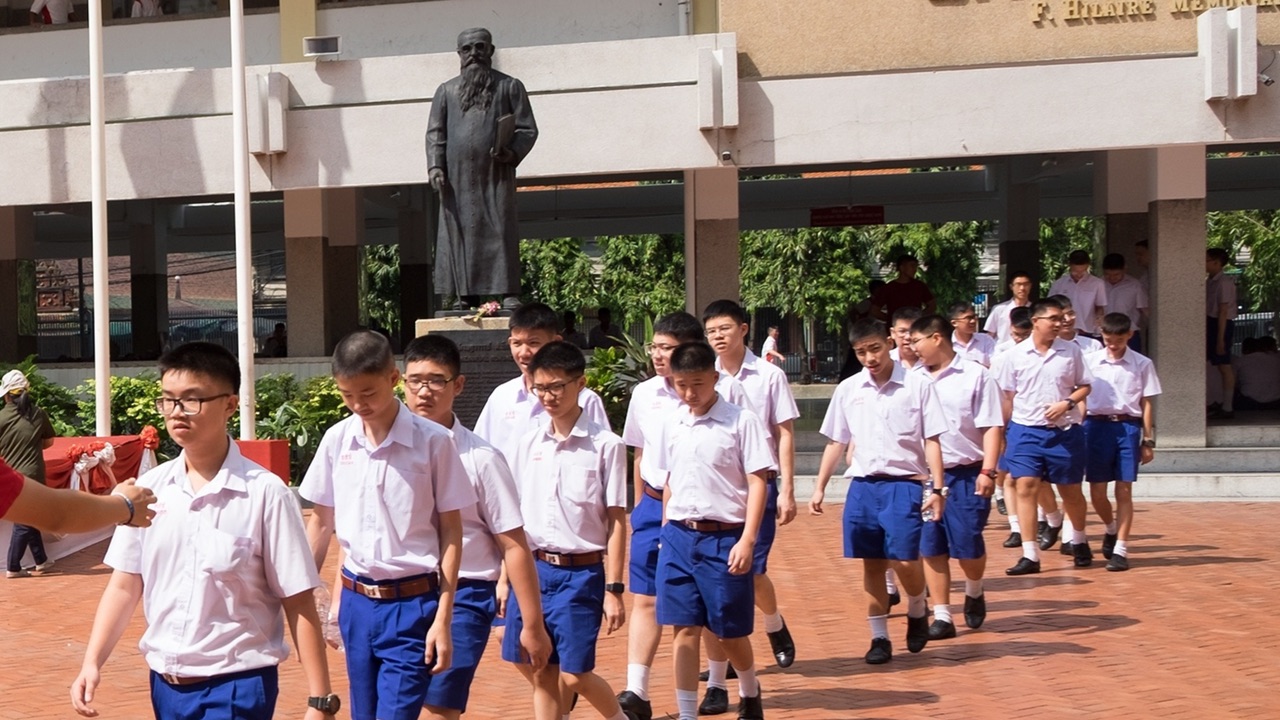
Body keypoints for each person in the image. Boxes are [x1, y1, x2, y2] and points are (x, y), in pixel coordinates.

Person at [70, 342, 336, 720]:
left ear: (229, 404)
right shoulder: (148, 490)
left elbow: (297, 598)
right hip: (165, 686)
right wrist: (91, 661)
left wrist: (320, 698)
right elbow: (125, 584)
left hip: (236, 686)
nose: (177, 413)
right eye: (168, 401)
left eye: (192, 400)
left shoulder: (265, 494)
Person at [301, 331, 474, 720]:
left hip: (413, 607)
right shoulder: (337, 441)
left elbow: (452, 531)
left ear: (393, 379)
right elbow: (321, 522)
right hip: (356, 606)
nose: (358, 405)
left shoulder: (433, 443)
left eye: (368, 393)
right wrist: (305, 590)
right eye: (347, 395)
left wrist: (443, 617)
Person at [400, 335, 552, 720]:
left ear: (458, 385)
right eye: (415, 380)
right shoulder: (387, 454)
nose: (424, 392)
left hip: (467, 594)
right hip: (403, 594)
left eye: (436, 381)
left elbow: (513, 543)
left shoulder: (481, 459)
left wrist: (531, 624)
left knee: (439, 704)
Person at [617, 312, 752, 720]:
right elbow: (641, 453)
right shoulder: (644, 395)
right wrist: (643, 506)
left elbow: (746, 464)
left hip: (711, 514)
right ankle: (636, 689)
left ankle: (716, 681)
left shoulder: (727, 394)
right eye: (655, 346)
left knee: (708, 610)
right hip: (658, 506)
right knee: (646, 598)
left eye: (668, 348)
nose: (658, 355)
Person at [500, 341, 634, 720]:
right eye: (540, 388)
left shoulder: (606, 446)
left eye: (557, 386)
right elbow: (515, 520)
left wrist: (614, 589)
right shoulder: (528, 444)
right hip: (534, 570)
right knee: (540, 669)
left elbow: (616, 521)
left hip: (581, 574)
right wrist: (503, 579)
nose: (549, 396)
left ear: (581, 384)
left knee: (575, 675)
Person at [810, 318, 946, 665]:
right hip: (863, 485)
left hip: (904, 484)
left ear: (888, 343)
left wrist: (937, 487)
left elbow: (932, 439)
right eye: (860, 352)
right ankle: (879, 637)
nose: (869, 357)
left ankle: (917, 608)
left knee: (904, 558)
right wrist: (820, 486)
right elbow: (836, 440)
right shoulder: (849, 389)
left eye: (874, 349)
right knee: (872, 563)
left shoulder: (917, 386)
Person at [652, 342, 772, 720]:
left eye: (697, 384)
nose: (689, 393)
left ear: (715, 379)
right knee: (683, 628)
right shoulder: (672, 421)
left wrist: (747, 540)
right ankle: (687, 713)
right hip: (678, 538)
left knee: (728, 631)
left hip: (725, 538)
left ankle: (750, 689)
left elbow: (758, 482)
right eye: (680, 384)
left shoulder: (741, 422)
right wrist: (666, 526)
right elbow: (668, 477)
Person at [701, 300, 799, 713]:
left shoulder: (770, 375)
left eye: (724, 328)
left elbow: (786, 432)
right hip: (718, 489)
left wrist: (789, 488)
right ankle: (719, 679)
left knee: (752, 571)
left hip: (761, 485)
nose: (718, 336)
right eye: (710, 331)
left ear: (743, 329)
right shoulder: (704, 378)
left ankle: (773, 623)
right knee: (714, 584)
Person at [427, 28, 538, 310]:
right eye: (467, 49)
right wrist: (435, 167)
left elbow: (527, 129)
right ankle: (465, 295)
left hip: (496, 175)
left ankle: (509, 291)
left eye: (480, 47)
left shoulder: (510, 86)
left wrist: (510, 151)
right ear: (459, 54)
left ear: (490, 50)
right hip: (457, 179)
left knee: (500, 231)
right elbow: (435, 133)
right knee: (461, 232)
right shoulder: (446, 91)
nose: (473, 53)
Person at [907, 315, 1003, 637]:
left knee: (967, 543)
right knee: (930, 545)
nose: (912, 347)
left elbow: (992, 425)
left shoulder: (976, 375)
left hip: (966, 473)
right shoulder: (911, 379)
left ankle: (974, 589)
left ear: (936, 338)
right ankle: (943, 615)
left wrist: (988, 470)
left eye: (916, 340)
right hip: (926, 477)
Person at [996, 298, 1093, 576]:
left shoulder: (1070, 351)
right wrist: (1002, 433)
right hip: (1025, 430)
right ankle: (1030, 554)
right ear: (1036, 321)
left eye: (1061, 317)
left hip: (1064, 432)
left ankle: (1079, 538)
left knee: (1071, 491)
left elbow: (1085, 385)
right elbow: (1006, 397)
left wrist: (1068, 403)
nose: (1059, 322)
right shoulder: (1012, 356)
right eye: (1053, 318)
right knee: (1026, 485)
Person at [475, 302, 612, 465]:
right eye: (516, 343)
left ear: (556, 342)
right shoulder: (501, 396)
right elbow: (481, 452)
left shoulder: (585, 399)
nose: (524, 353)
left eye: (533, 343)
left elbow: (603, 456)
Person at [1084, 313, 1162, 573]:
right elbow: (1081, 393)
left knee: (1124, 489)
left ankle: (1121, 549)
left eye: (1119, 339)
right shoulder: (1090, 361)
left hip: (1128, 426)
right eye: (1108, 339)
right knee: (1096, 491)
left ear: (1129, 335)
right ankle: (1110, 528)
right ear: (1101, 335)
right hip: (1095, 426)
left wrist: (1148, 439)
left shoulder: (1142, 364)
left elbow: (1147, 402)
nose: (1113, 344)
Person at [0, 370, 57, 578]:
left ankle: (40, 560)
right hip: (33, 474)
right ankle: (14, 566)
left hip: (9, 475)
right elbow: (49, 442)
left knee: (27, 517)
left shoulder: (1, 417)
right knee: (27, 519)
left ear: (6, 395)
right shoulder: (38, 414)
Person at [1206, 248, 1238, 419]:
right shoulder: (1210, 281)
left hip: (1221, 323)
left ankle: (1228, 405)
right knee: (1211, 364)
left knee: (1224, 365)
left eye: (1207, 260)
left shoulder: (1224, 282)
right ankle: (1213, 401)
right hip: (1210, 322)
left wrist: (1220, 339)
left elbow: (1223, 310)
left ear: (1217, 263)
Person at [1048, 250, 1108, 338]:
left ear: (1088, 266)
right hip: (1063, 331)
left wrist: (1099, 322)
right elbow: (1050, 306)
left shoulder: (1097, 284)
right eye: (1075, 271)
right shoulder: (1059, 284)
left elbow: (1100, 307)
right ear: (1069, 265)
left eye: (1083, 271)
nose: (1079, 275)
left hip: (1087, 330)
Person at [1101, 253, 1149, 351]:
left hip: (1128, 333)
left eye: (1116, 274)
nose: (1112, 278)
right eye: (1108, 274)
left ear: (1125, 269)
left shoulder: (1135, 285)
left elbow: (1144, 309)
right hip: (1104, 333)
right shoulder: (1097, 284)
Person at [871, 255, 936, 320]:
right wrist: (891, 319)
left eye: (916, 266)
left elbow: (932, 305)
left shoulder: (920, 286)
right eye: (912, 266)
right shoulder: (889, 288)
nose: (915, 269)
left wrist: (919, 317)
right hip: (896, 327)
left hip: (915, 327)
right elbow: (874, 310)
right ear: (902, 268)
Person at [984, 271, 1034, 343]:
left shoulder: (1035, 310)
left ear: (1030, 286)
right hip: (1003, 350)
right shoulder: (999, 309)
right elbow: (990, 335)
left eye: (1026, 284)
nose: (1022, 288)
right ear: (1011, 287)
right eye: (1018, 284)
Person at [1234, 337, 1280, 410]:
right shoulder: (1276, 359)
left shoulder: (1240, 361)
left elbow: (1232, 382)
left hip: (1250, 402)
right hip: (1276, 401)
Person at [948, 302, 996, 367]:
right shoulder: (947, 344)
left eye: (974, 317)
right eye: (968, 318)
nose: (973, 321)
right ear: (954, 323)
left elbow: (995, 365)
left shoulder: (986, 340)